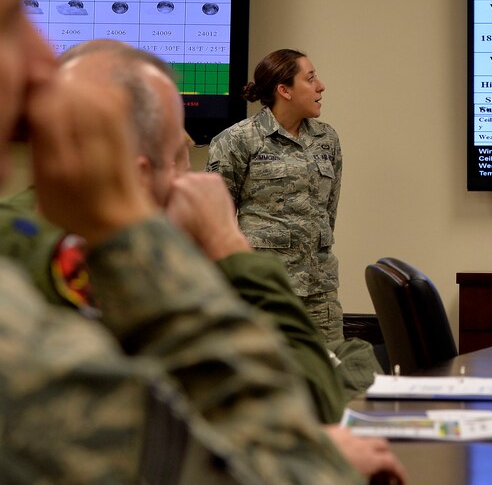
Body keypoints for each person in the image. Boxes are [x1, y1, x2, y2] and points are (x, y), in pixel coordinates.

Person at [0, 0, 361, 481]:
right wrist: (204, 242)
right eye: (15, 13)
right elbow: (290, 469)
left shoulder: (327, 139)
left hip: (315, 290)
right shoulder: (21, 304)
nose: (45, 64)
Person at [1, 39, 406, 483]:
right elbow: (296, 422)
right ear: (137, 174)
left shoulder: (326, 140)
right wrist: (227, 245)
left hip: (315, 284)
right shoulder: (135, 259)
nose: (191, 179)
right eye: (179, 155)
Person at [206, 48, 346, 342]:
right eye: (310, 79)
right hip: (263, 296)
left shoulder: (327, 139)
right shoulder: (236, 141)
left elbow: (327, 213)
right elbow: (215, 226)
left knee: (333, 378)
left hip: (320, 296)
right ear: (285, 90)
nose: (321, 86)